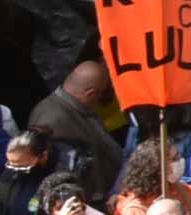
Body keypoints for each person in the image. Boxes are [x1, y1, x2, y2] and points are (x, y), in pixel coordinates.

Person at [24, 64, 121, 199]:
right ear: (91, 93)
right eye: (102, 93)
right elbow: (57, 175)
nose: (101, 99)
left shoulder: (76, 108)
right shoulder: (52, 119)